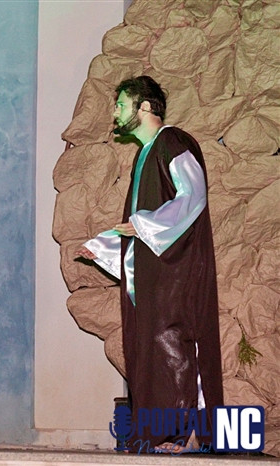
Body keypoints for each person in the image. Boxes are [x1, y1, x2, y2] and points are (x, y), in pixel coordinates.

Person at [77, 76, 223, 452]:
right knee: (150, 350)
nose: (114, 112)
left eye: (120, 105)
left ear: (144, 107)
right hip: (155, 273)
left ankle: (182, 434)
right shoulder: (145, 154)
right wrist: (106, 245)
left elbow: (192, 196)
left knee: (172, 343)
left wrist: (143, 225)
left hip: (176, 271)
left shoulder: (173, 142)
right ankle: (159, 433)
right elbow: (142, 220)